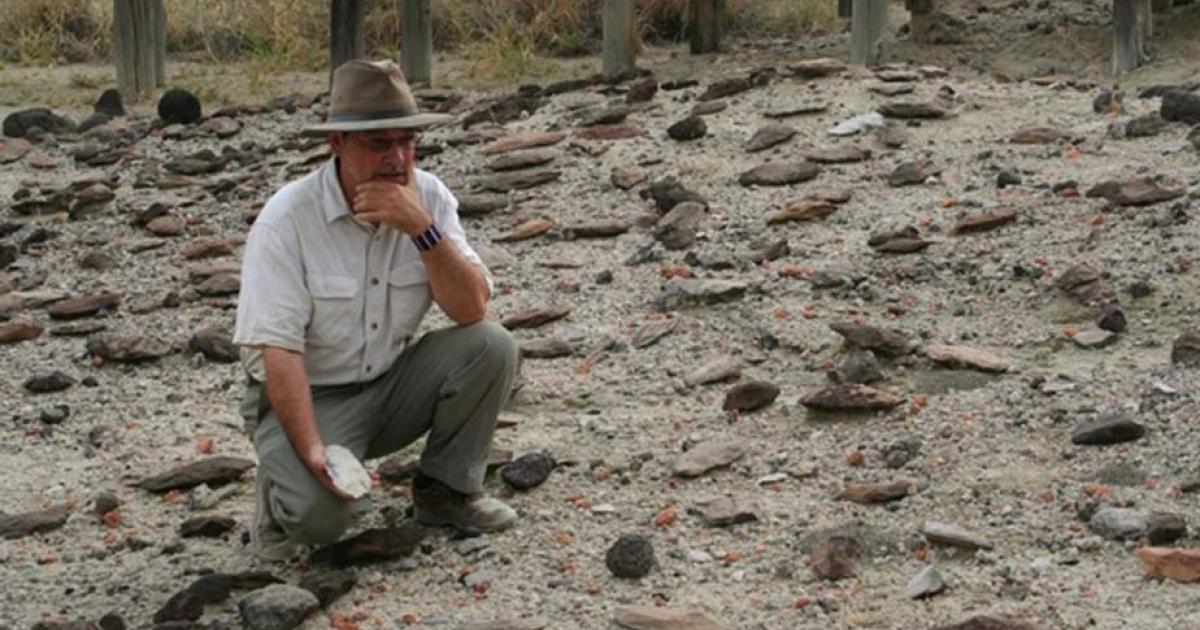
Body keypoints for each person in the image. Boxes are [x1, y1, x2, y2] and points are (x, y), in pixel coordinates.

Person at [233, 59, 519, 561]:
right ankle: (279, 492)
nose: (398, 157)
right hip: (306, 396)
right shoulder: (286, 220)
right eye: (378, 143)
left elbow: (471, 308)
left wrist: (423, 231)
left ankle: (445, 493)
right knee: (320, 523)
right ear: (337, 144)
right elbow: (280, 355)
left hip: (389, 385)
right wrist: (312, 453)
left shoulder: (429, 196)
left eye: (406, 141)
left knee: (491, 346)